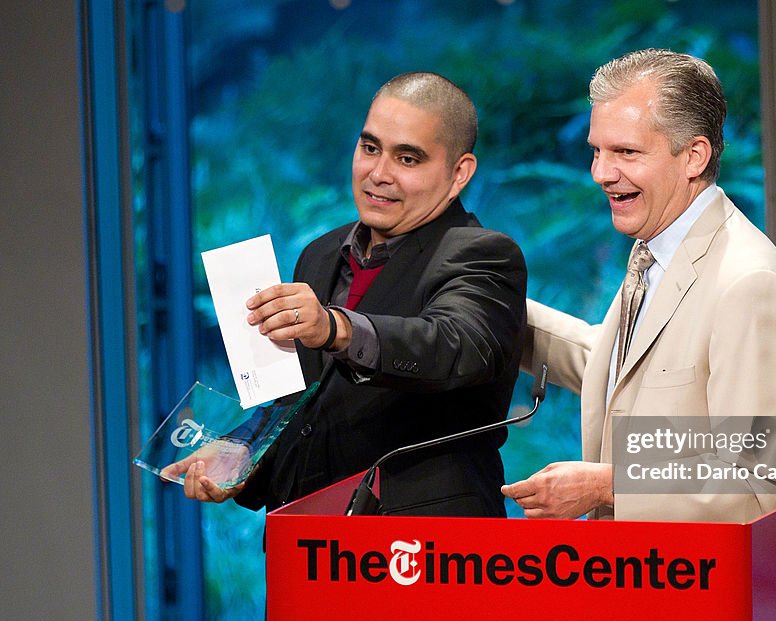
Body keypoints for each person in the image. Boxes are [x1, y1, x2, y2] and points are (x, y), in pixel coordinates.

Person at [165, 72, 526, 517]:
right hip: (308, 548)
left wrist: (335, 328)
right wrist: (243, 453)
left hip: (422, 553)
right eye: (370, 148)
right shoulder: (319, 254)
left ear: (459, 173)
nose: (378, 174)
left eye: (407, 159)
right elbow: (302, 405)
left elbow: (452, 345)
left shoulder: (483, 254)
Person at [502, 49, 776, 523]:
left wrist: (607, 486)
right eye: (597, 150)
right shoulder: (660, 245)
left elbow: (771, 482)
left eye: (626, 152)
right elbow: (624, 371)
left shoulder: (750, 285)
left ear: (694, 156)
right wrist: (490, 305)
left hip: (697, 590)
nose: (601, 173)